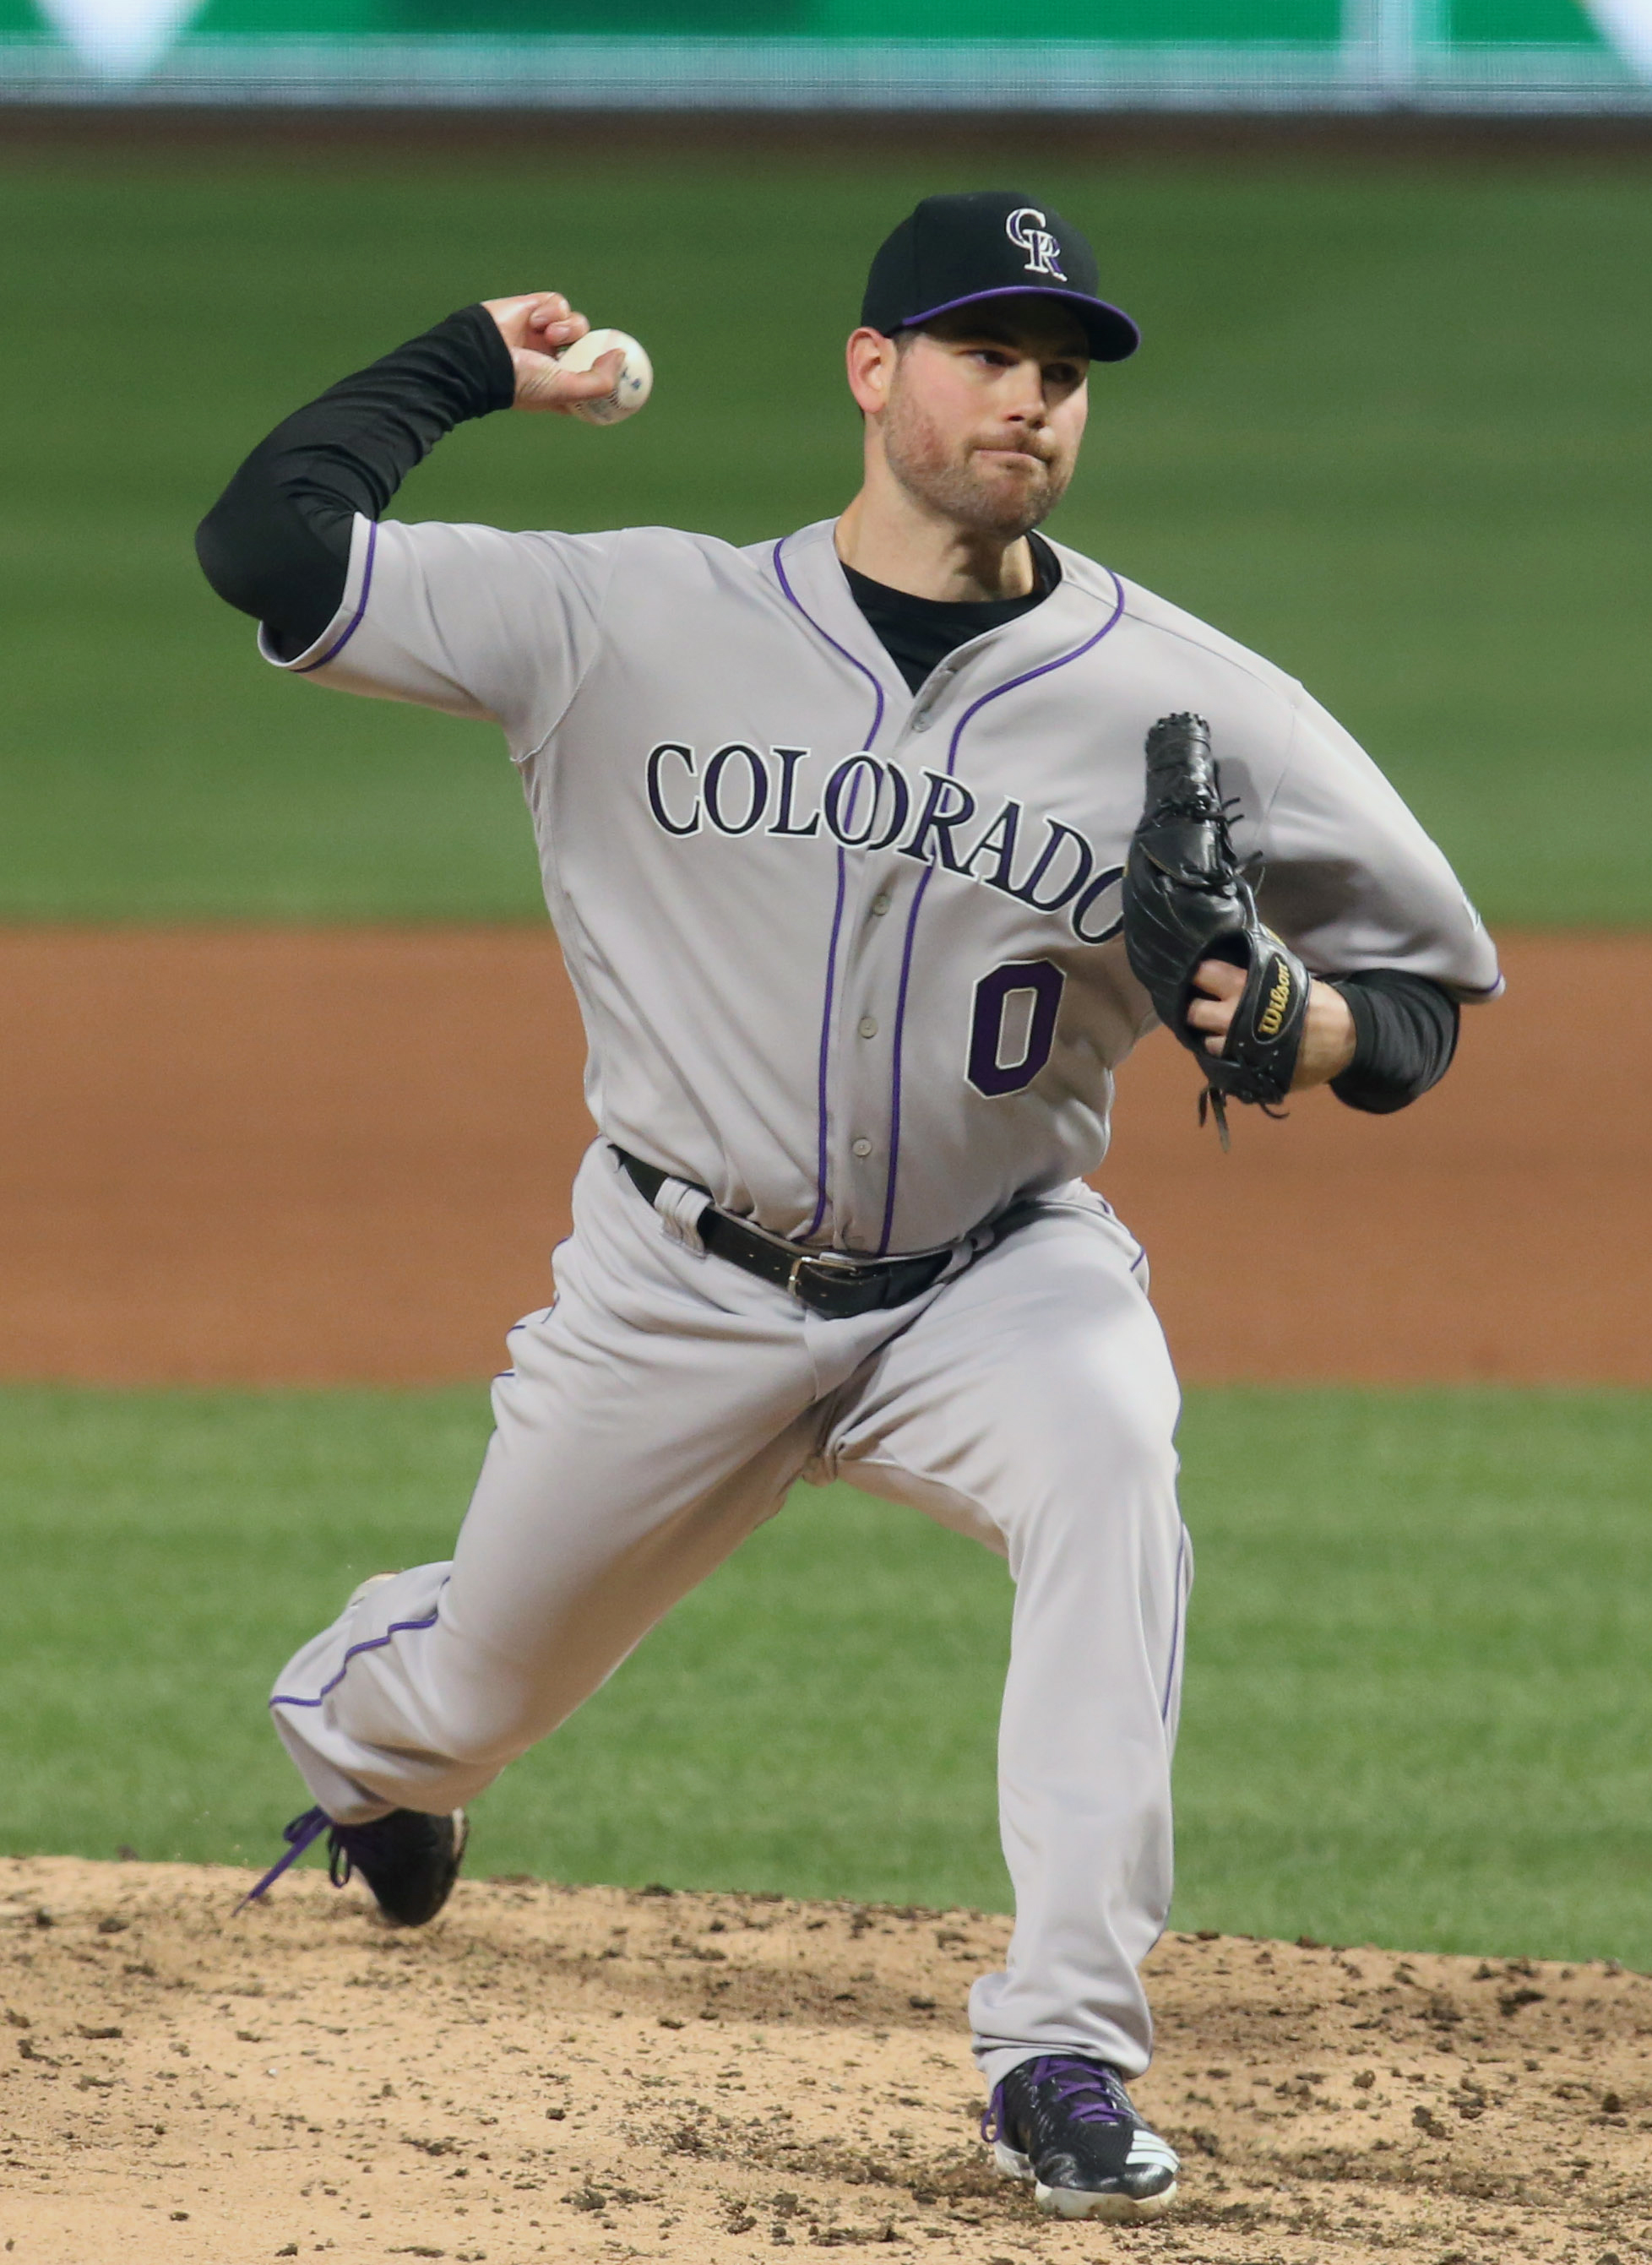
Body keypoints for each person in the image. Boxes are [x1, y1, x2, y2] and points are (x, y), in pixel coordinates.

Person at [196, 189, 1499, 2223]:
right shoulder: (629, 620)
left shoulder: (1193, 698)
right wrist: (463, 364)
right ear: (873, 371)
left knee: (1112, 1463)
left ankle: (1062, 2052)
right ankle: (377, 1770)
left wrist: (1311, 1028)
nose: (1031, 400)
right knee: (466, 1698)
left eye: (1061, 371)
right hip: (677, 1286)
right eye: (988, 354)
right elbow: (267, 550)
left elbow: (1423, 993)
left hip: (997, 1279)